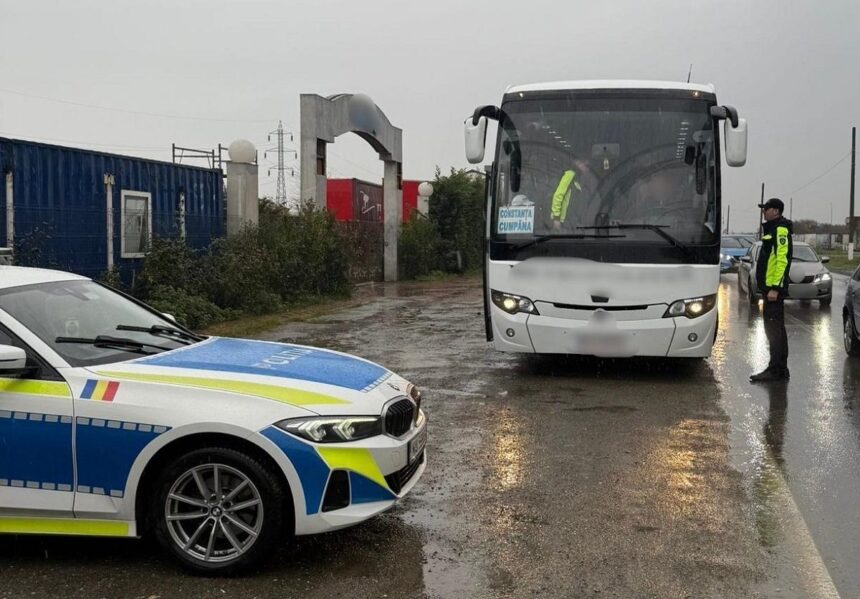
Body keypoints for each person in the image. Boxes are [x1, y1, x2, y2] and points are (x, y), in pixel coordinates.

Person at [750, 197, 793, 382]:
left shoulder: (780, 230)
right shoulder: (774, 228)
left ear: (775, 211)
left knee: (774, 330)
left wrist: (775, 288)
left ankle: (776, 369)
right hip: (769, 291)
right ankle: (780, 368)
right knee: (776, 329)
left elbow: (782, 260)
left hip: (773, 292)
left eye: (766, 209)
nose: (764, 212)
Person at [550, 162, 583, 230]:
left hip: (572, 221)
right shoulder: (570, 174)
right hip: (563, 222)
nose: (586, 168)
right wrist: (556, 218)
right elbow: (558, 195)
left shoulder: (578, 178)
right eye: (583, 164)